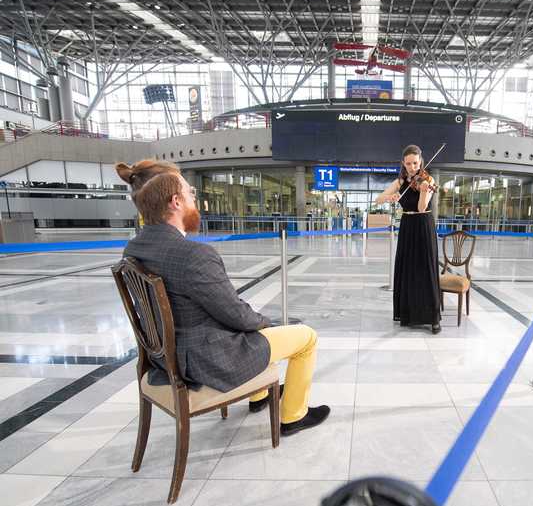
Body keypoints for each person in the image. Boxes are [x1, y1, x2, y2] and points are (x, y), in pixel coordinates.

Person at [115, 160, 330, 436]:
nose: (196, 197)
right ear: (176, 202)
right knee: (305, 337)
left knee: (260, 326)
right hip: (208, 359)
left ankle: (259, 395)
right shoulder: (194, 255)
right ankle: (293, 416)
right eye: (191, 193)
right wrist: (265, 322)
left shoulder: (134, 249)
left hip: (166, 357)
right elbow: (235, 314)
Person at [375, 145, 441, 334]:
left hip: (423, 225)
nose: (412, 167)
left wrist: (423, 191)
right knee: (408, 270)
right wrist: (391, 197)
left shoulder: (428, 180)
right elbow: (378, 199)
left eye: (415, 162)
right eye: (409, 163)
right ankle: (410, 314)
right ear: (403, 163)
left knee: (426, 270)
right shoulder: (400, 181)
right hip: (407, 226)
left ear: (420, 161)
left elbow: (421, 208)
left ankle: (433, 318)